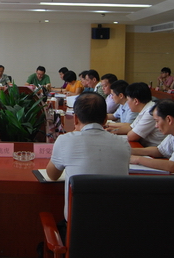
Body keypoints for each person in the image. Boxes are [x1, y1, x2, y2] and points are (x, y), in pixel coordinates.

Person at [46, 92, 130, 230]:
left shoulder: (65, 140)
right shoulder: (123, 144)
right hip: (117, 229)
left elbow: (52, 175)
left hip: (76, 231)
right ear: (105, 120)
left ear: (75, 118)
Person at [106, 82, 165, 147]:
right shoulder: (144, 108)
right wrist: (111, 131)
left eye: (128, 100)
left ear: (136, 101)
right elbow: (130, 127)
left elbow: (131, 136)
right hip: (144, 145)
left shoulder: (150, 112)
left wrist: (111, 128)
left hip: (152, 148)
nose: (127, 103)